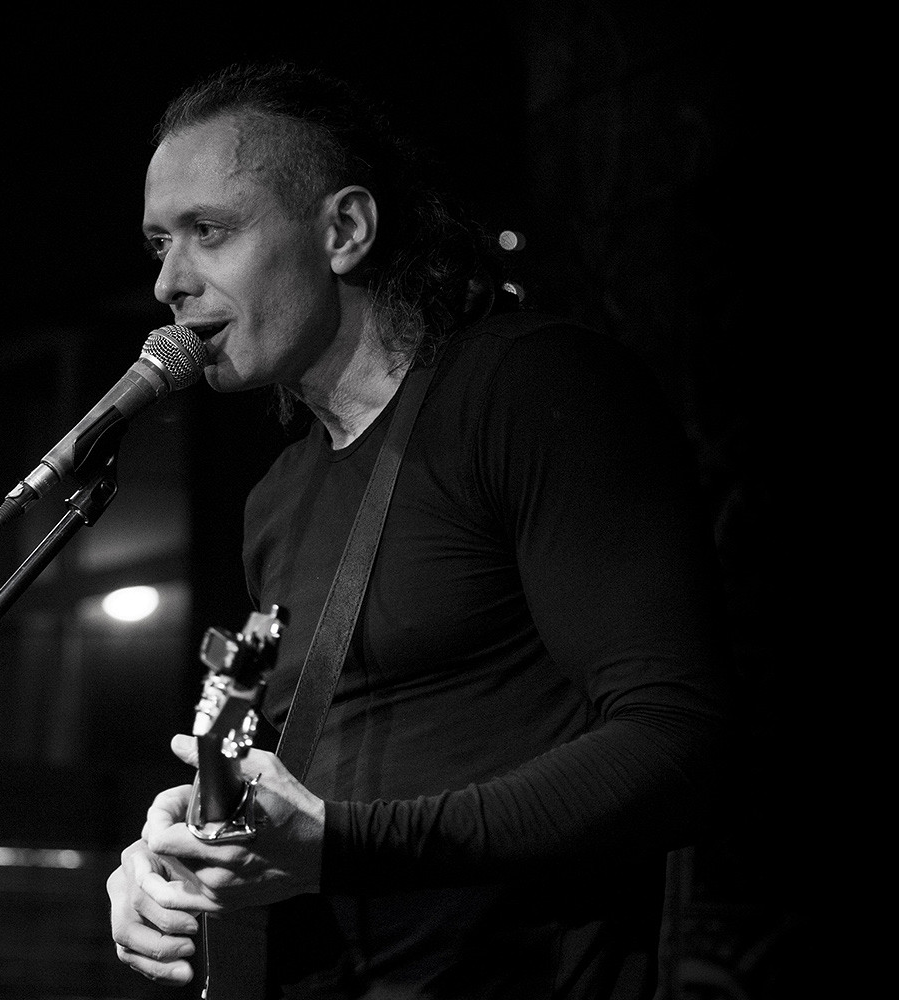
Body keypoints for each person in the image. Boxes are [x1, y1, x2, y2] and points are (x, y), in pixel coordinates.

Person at [106, 62, 734, 999]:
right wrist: (173, 855)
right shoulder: (278, 497)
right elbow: (292, 797)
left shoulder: (528, 391)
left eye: (211, 231)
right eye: (160, 242)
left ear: (345, 231)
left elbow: (679, 739)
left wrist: (347, 846)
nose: (168, 281)